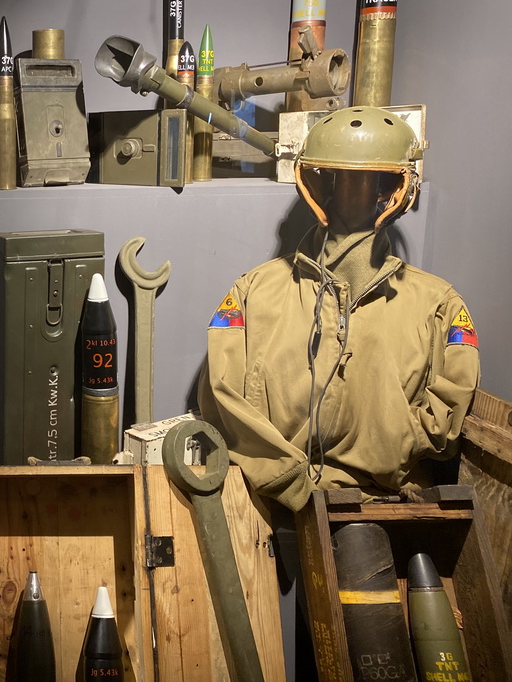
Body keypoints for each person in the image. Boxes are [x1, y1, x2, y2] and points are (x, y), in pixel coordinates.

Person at [198, 106, 480, 514]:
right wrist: (290, 482)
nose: (354, 193)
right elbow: (221, 396)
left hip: (386, 505)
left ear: (398, 189)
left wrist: (398, 443)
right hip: (273, 505)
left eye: (371, 180)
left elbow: (450, 405)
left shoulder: (438, 304)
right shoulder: (254, 292)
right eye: (339, 178)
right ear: (315, 183)